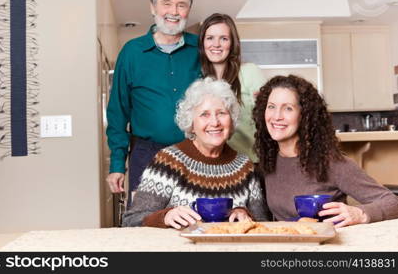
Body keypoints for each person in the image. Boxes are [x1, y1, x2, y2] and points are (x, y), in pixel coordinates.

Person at [252, 75, 398, 228]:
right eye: (271, 106)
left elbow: (392, 203)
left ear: (305, 116)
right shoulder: (268, 162)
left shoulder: (332, 163)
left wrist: (360, 213)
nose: (276, 116)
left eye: (288, 108)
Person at [122, 77, 270, 228]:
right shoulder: (167, 162)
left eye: (221, 113)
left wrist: (245, 214)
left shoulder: (245, 167)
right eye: (204, 114)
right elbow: (131, 221)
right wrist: (165, 216)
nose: (214, 122)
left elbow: (263, 225)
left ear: (231, 121)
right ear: (191, 124)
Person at [105, 0, 201, 203]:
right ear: (152, 7)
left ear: (189, 10)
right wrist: (117, 164)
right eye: (166, 3)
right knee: (144, 221)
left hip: (195, 153)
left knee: (196, 218)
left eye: (181, 5)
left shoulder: (201, 48)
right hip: (146, 154)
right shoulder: (131, 52)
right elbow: (118, 112)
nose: (174, 11)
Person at [198, 13, 267, 162]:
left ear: (232, 43)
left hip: (249, 162)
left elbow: (268, 119)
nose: (216, 44)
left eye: (223, 38)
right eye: (210, 38)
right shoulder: (198, 80)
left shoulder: (250, 72)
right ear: (203, 42)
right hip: (211, 164)